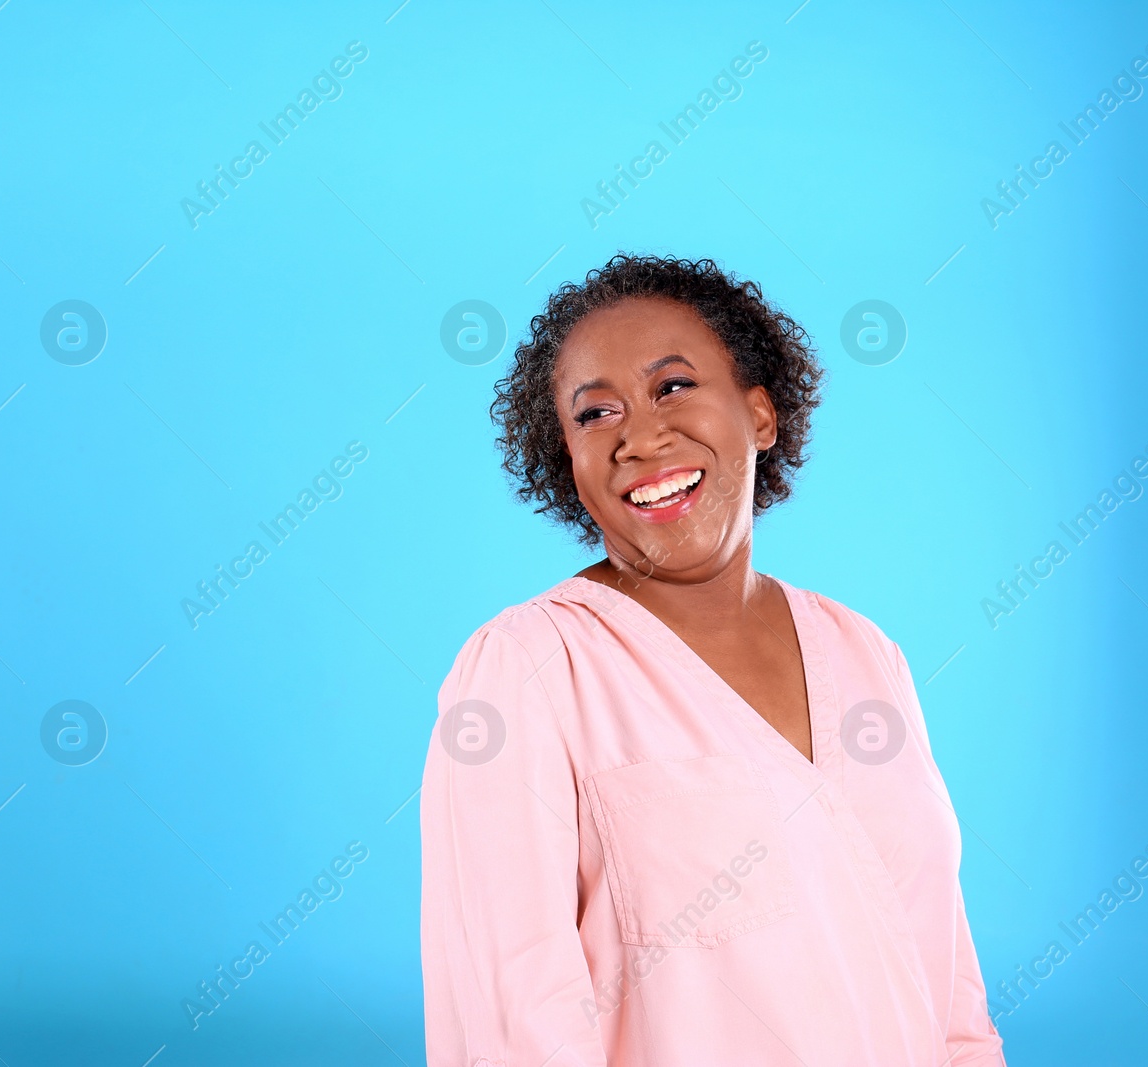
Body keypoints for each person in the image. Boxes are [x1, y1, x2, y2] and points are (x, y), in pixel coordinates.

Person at [420, 254, 1006, 1066]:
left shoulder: (865, 654)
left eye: (673, 387)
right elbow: (514, 1014)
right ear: (566, 460)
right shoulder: (527, 669)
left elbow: (947, 985)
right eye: (595, 414)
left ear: (760, 414)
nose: (640, 435)